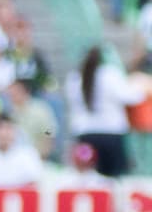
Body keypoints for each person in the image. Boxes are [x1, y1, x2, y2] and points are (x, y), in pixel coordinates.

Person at [65, 45, 152, 177]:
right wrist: (143, 84)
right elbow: (129, 96)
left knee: (88, 178)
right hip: (110, 135)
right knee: (113, 180)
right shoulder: (109, 74)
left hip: (84, 135)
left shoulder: (74, 78)